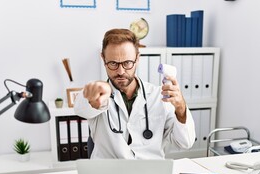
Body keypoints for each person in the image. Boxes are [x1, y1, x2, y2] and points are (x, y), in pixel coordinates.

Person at [74, 28, 195, 159]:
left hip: (149, 173)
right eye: (113, 63)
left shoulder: (158, 95)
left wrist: (181, 107)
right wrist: (95, 97)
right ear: (103, 59)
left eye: (127, 63)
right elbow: (80, 108)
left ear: (137, 58)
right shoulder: (97, 94)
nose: (120, 71)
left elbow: (185, 142)